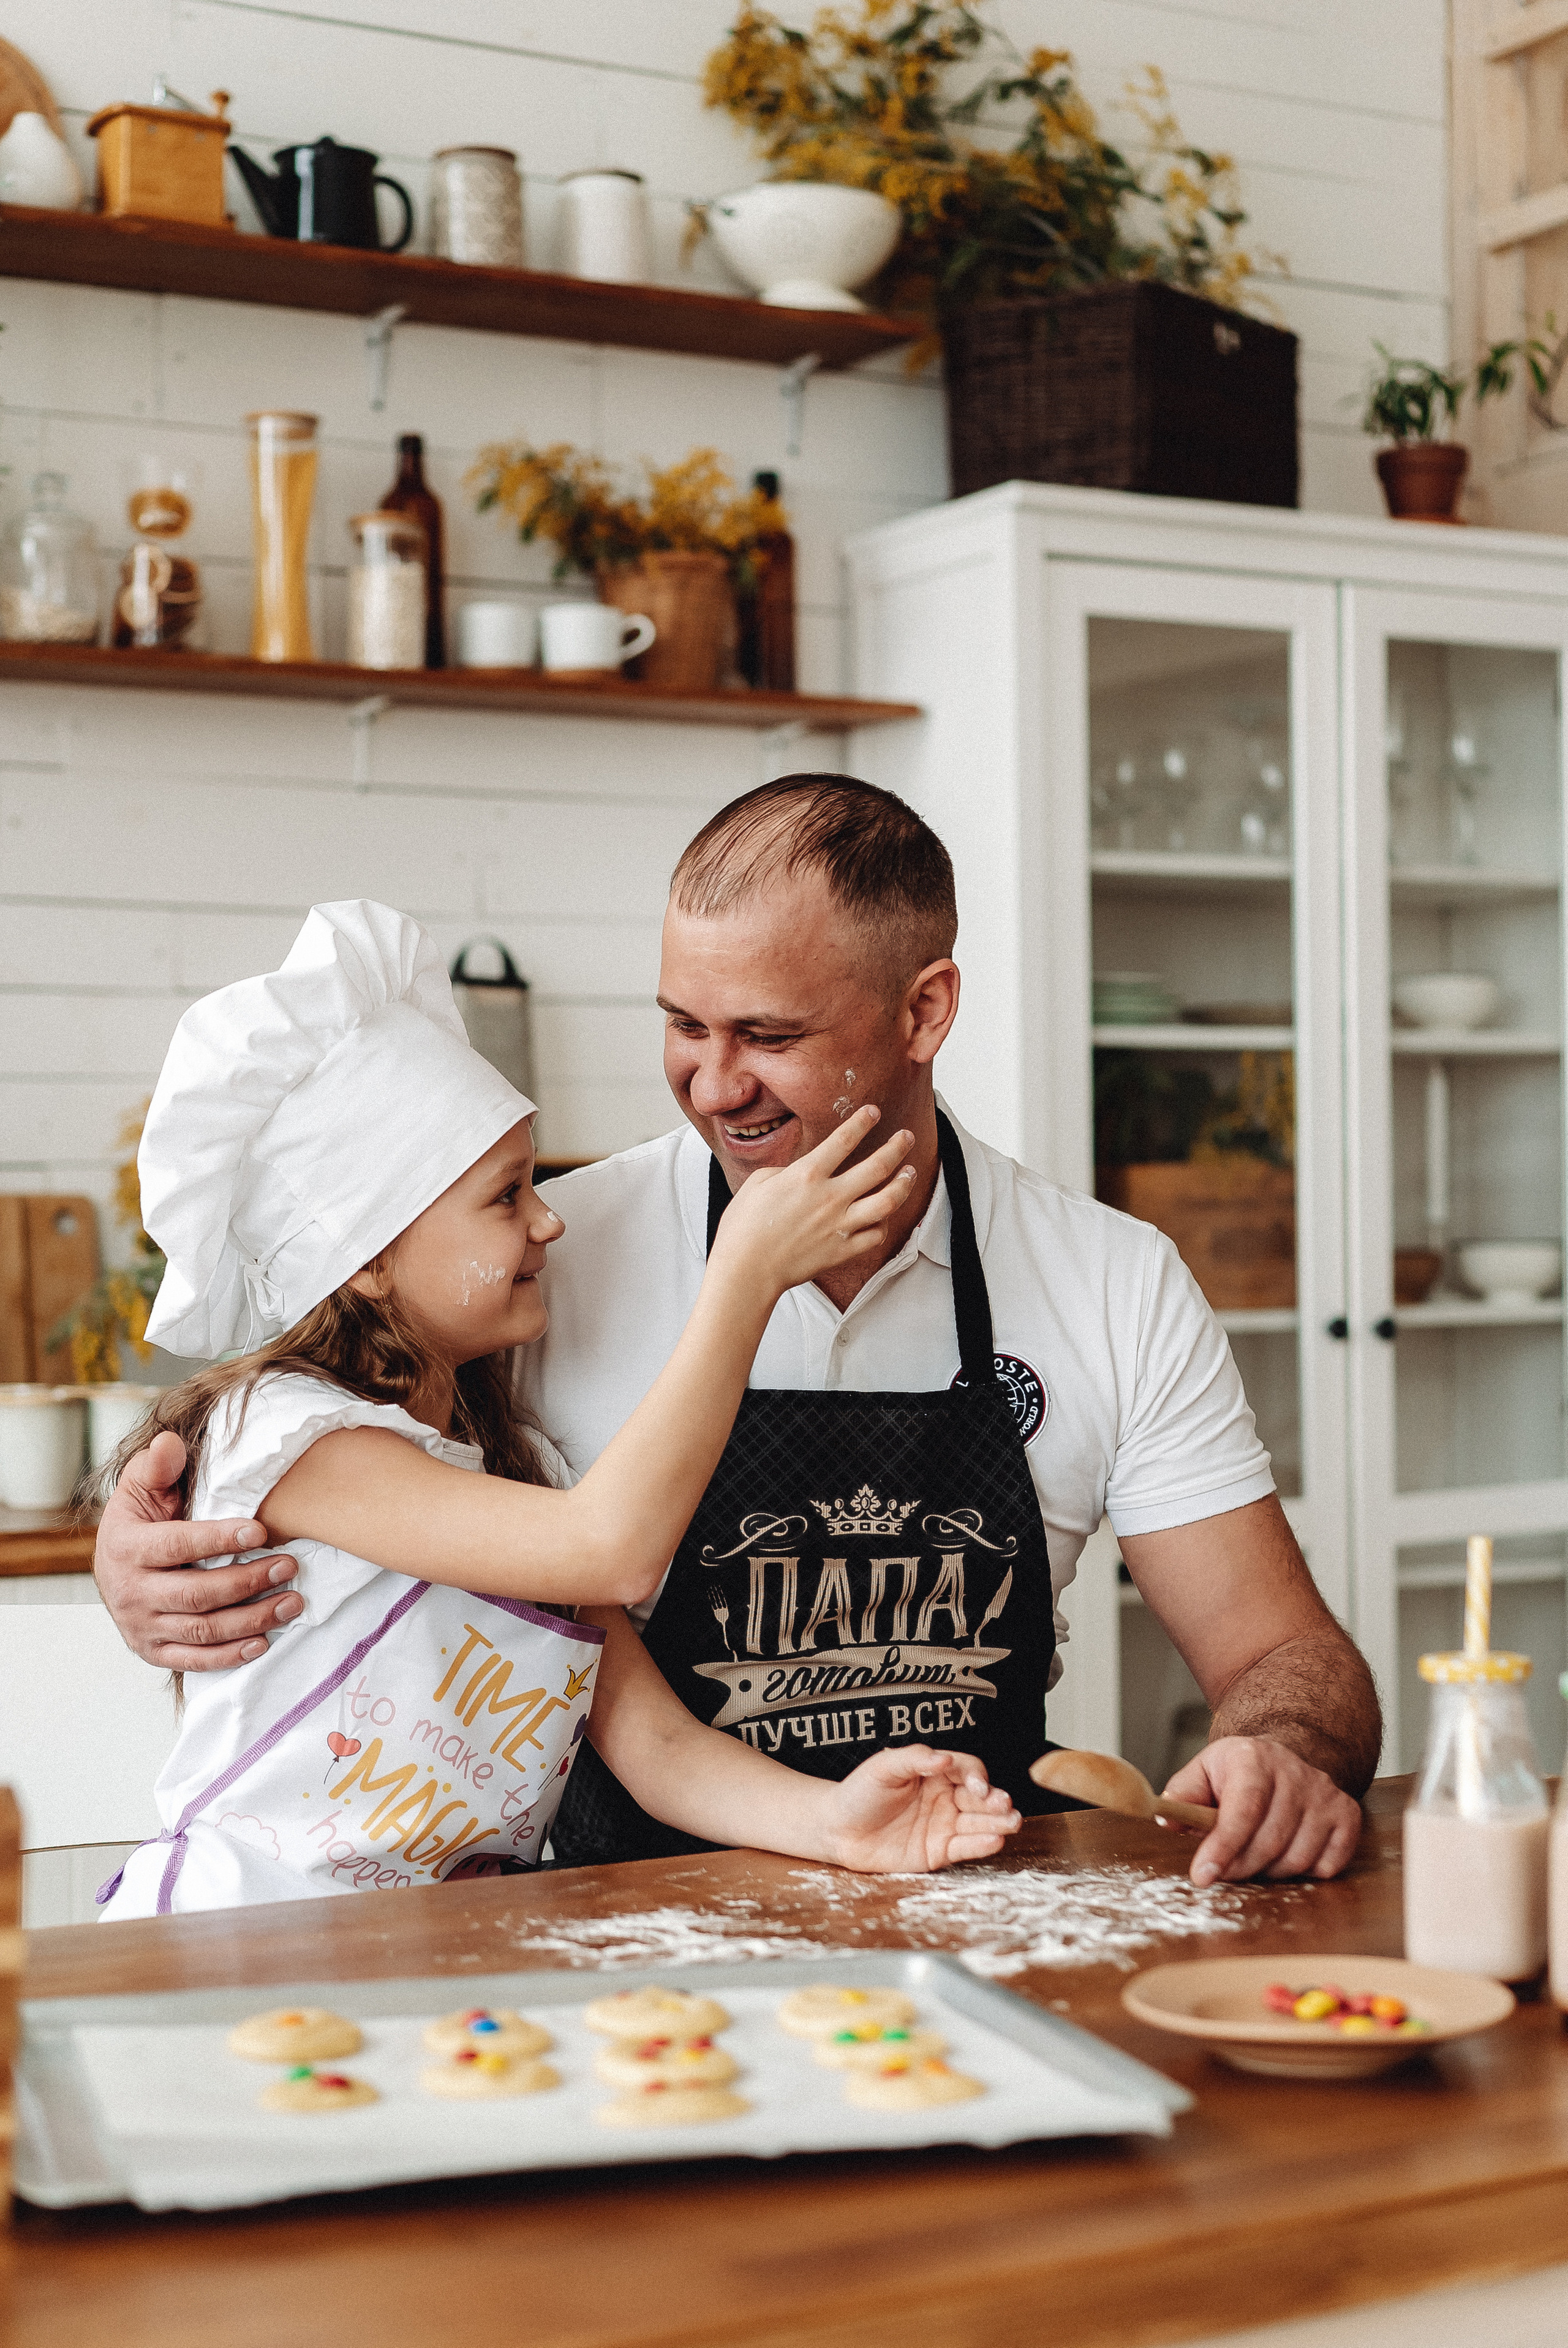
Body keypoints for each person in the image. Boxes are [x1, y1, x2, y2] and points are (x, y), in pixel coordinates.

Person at [94, 778, 1381, 1888]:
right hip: (607, 1935)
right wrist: (145, 1543)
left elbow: (1284, 1654)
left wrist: (1281, 1752)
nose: (712, 1083)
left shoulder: (1110, 1282)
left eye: (766, 1035)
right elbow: (332, 1438)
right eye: (682, 1026)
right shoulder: (539, 1268)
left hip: (963, 1894)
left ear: (923, 1012)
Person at [95, 899, 1019, 1919]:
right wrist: (745, 1274)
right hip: (240, 1940)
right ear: (364, 1258)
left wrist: (839, 1820)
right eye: (505, 1194)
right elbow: (612, 1546)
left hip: (437, 1947)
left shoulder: (502, 1461)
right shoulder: (296, 1440)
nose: (549, 1218)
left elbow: (659, 1747)